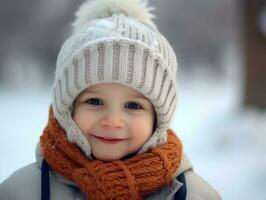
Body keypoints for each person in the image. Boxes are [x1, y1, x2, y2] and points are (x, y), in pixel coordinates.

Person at [0, 0, 221, 199]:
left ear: (159, 118)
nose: (113, 121)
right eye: (94, 101)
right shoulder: (20, 191)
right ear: (67, 108)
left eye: (133, 105)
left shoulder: (193, 194)